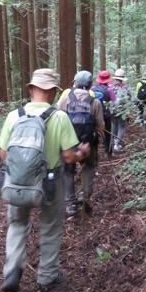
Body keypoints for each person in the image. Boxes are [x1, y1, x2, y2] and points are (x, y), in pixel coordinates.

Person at [0, 68, 90, 292]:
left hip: (18, 182)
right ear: (52, 92)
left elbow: (2, 153)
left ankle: (12, 270)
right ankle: (47, 277)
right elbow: (68, 156)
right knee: (50, 227)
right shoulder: (59, 117)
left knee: (18, 224)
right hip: (49, 183)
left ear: (31, 89)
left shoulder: (14, 116)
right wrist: (82, 154)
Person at [57, 71, 105, 216]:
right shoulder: (95, 102)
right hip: (87, 143)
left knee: (67, 171)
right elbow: (101, 126)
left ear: (75, 83)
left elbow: (58, 118)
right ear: (91, 85)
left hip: (67, 143)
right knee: (89, 167)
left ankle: (70, 204)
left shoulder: (65, 99)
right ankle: (84, 196)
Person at [92, 69, 115, 154]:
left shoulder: (93, 88)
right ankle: (108, 151)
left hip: (94, 114)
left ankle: (94, 152)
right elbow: (114, 101)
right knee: (108, 133)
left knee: (94, 132)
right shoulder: (109, 89)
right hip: (106, 114)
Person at [110, 67, 131, 153]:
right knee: (121, 126)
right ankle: (117, 144)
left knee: (114, 125)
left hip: (112, 109)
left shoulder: (111, 87)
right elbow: (129, 98)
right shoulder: (125, 88)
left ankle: (115, 141)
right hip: (122, 110)